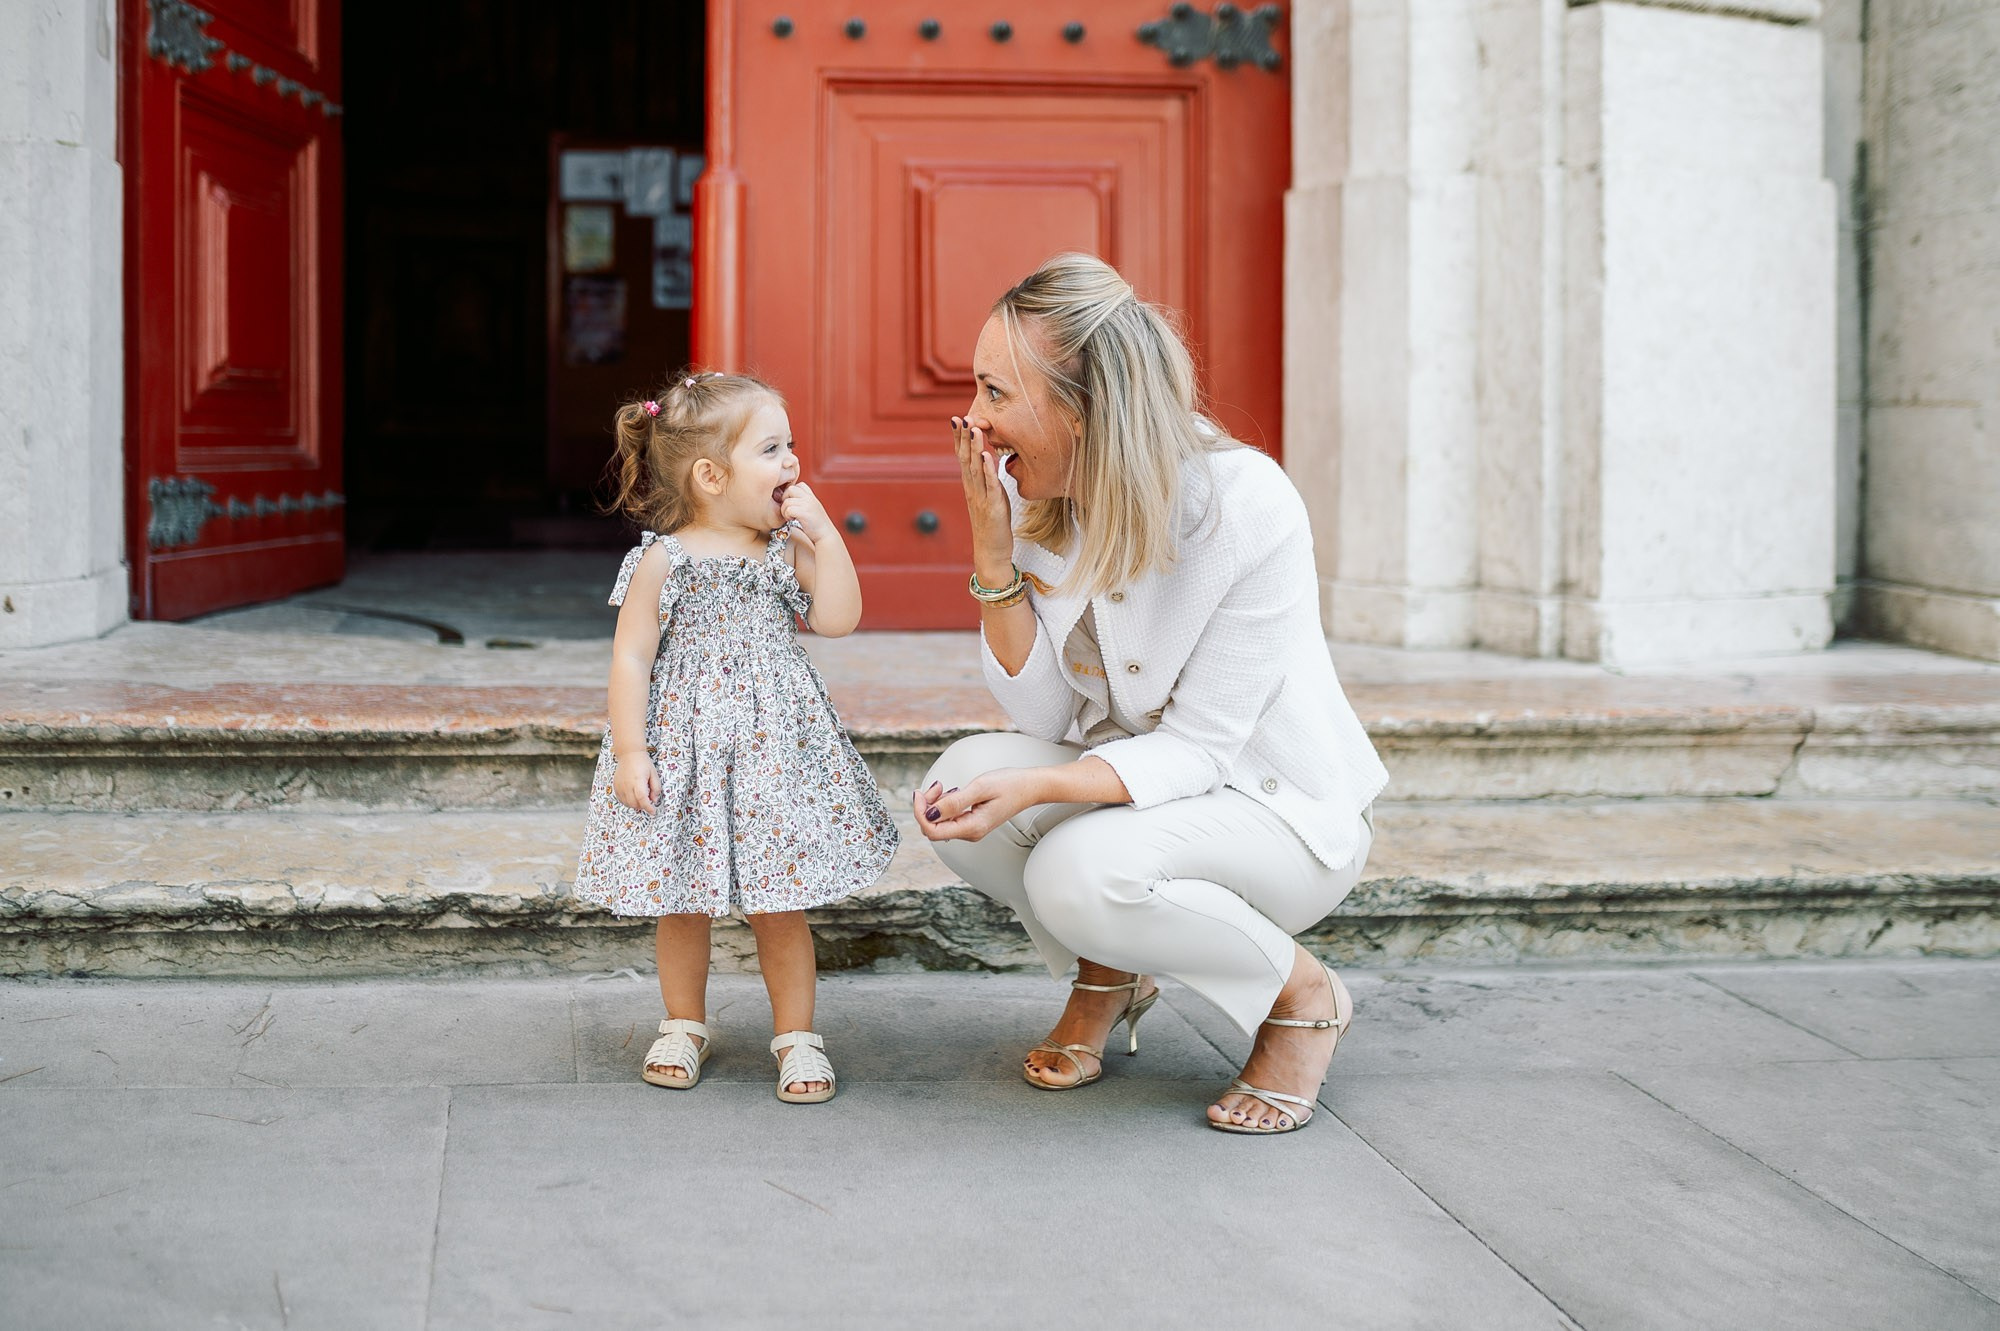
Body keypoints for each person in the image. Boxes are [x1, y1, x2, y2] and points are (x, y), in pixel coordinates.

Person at [914, 254, 1388, 1135]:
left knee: (1074, 867)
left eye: (995, 392)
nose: (974, 420)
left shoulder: (1246, 505)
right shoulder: (1037, 496)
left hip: (1274, 812)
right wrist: (992, 552)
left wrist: (1047, 785)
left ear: (1084, 406)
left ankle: (1303, 997)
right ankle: (1115, 971)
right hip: (1151, 797)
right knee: (961, 780)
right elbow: (1045, 719)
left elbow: (1202, 751)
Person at [574, 369, 898, 1104]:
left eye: (792, 446)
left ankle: (797, 1035)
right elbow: (631, 655)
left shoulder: (784, 549)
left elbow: (840, 616)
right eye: (772, 449)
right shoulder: (664, 558)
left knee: (778, 899)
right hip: (684, 747)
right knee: (681, 897)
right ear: (712, 476)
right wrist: (632, 750)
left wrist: (823, 533)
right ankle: (683, 1023)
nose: (792, 462)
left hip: (770, 751)